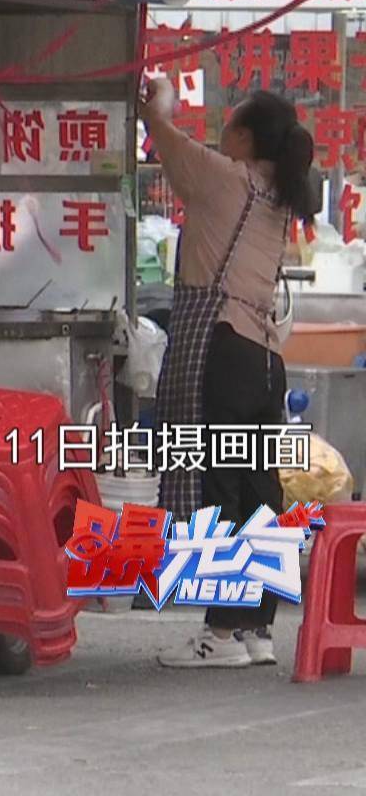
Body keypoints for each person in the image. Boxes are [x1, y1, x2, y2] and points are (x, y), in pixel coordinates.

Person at [143, 77, 314, 670]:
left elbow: (162, 134)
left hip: (225, 347)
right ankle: (258, 631)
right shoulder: (280, 192)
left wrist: (156, 101)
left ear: (245, 137)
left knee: (217, 486)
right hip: (267, 359)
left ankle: (217, 633)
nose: (221, 135)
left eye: (230, 127)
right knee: (260, 491)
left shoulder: (225, 179)